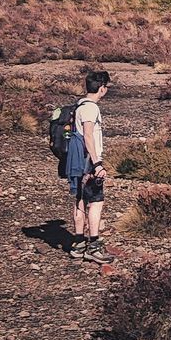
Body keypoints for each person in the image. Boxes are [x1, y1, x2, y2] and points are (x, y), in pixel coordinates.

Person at [69, 70, 113, 263]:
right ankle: (93, 246)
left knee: (79, 200)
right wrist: (97, 164)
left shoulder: (78, 106)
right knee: (95, 202)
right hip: (88, 162)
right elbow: (88, 135)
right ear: (102, 88)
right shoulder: (91, 108)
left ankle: (78, 244)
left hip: (76, 161)